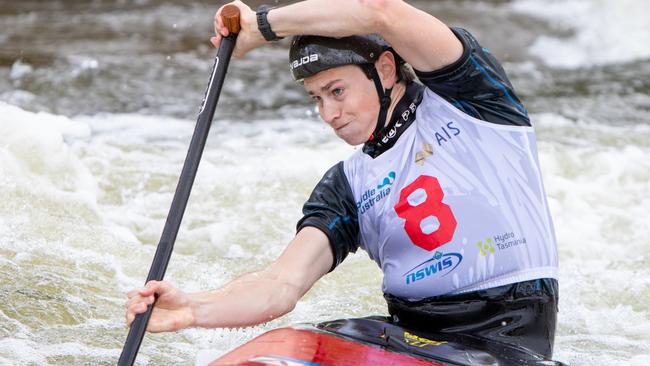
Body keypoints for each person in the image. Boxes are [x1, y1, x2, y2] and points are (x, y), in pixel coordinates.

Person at [126, 0, 559, 359]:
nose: (328, 114)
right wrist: (192, 308)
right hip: (403, 339)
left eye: (337, 91)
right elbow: (282, 284)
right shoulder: (347, 184)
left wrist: (262, 25)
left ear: (386, 70)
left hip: (505, 343)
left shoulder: (472, 100)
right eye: (316, 98)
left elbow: (381, 12)